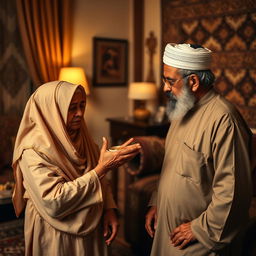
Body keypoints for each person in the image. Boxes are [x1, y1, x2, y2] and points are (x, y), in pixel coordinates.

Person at [145, 43, 253, 256]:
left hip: (199, 242)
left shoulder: (224, 120)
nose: (165, 87)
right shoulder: (182, 108)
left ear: (193, 82)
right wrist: (158, 202)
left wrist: (199, 229)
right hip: (168, 232)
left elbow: (233, 192)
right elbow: (172, 165)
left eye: (170, 80)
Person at [12, 80, 141, 256]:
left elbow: (100, 176)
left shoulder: (82, 135)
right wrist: (101, 169)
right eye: (72, 108)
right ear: (51, 110)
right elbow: (54, 202)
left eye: (82, 105)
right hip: (55, 231)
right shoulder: (32, 150)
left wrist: (108, 209)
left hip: (92, 222)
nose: (80, 113)